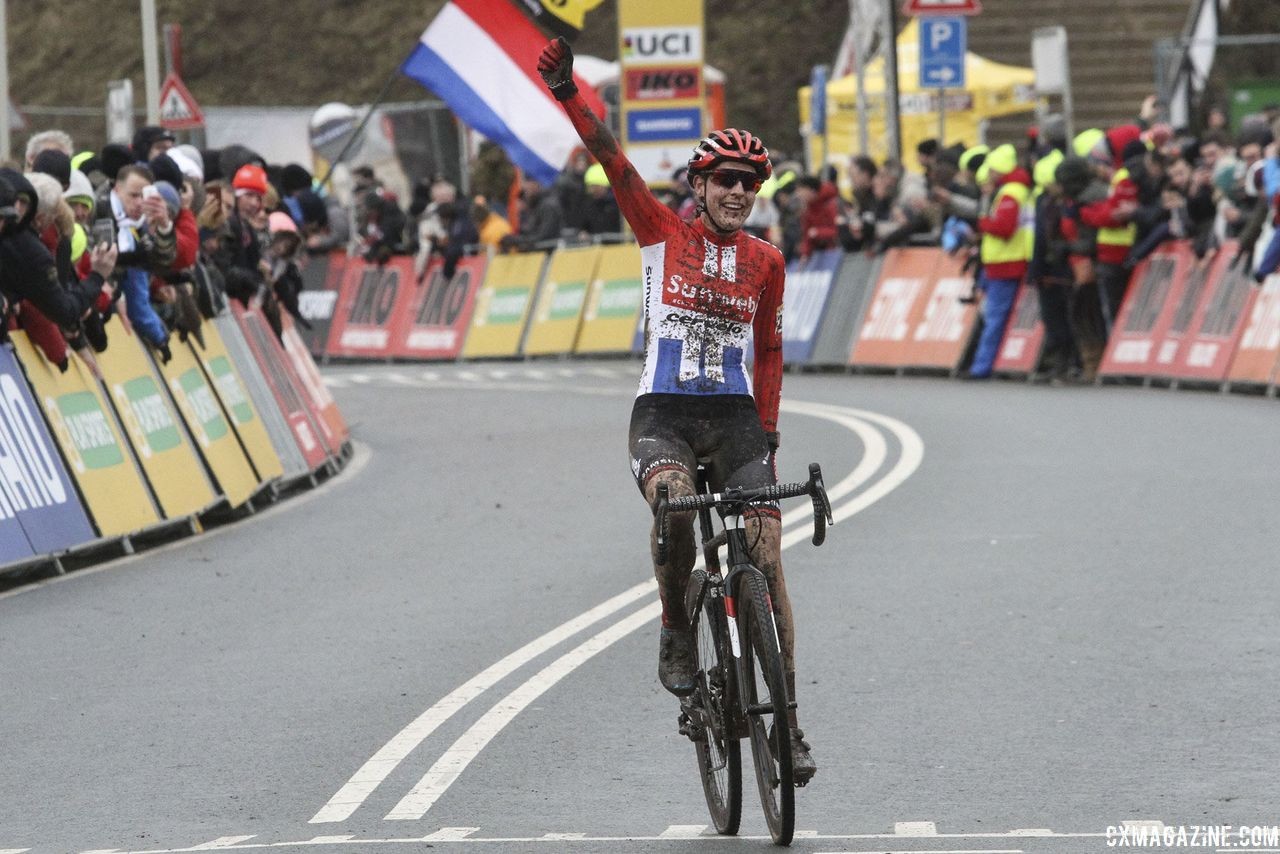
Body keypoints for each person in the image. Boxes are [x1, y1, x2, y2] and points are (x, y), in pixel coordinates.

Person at [537, 36, 815, 783]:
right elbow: (613, 161)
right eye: (726, 180)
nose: (738, 193)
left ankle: (787, 725)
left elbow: (769, 354)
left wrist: (770, 429)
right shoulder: (661, 233)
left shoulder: (768, 263)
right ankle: (674, 628)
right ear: (700, 185)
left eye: (750, 184)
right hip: (661, 413)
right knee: (676, 506)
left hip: (733, 419)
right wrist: (570, 94)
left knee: (766, 554)